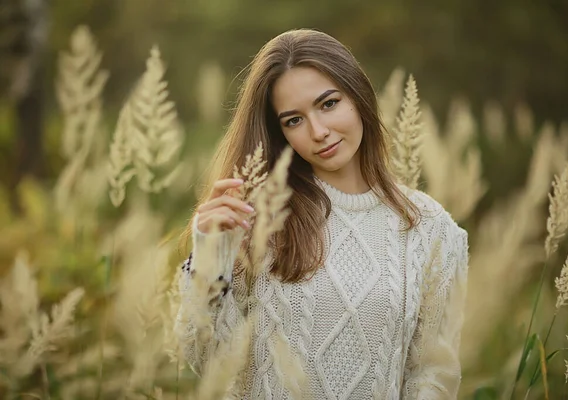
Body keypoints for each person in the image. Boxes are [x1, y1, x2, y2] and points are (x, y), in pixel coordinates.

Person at [175, 28, 469, 400]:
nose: (319, 131)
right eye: (293, 120)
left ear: (358, 95)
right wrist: (209, 254)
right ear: (279, 132)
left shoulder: (432, 229)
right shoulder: (260, 218)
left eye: (329, 103)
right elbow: (203, 360)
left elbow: (435, 377)